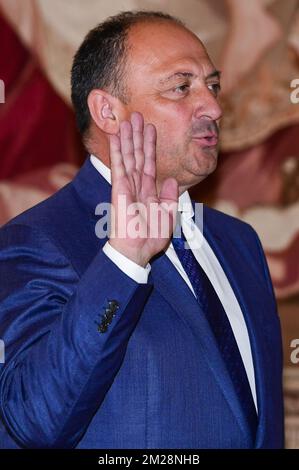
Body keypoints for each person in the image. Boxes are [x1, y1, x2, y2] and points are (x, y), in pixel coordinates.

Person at [0, 10, 284, 449]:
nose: (212, 106)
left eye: (212, 85)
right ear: (108, 112)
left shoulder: (238, 242)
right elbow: (34, 420)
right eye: (181, 86)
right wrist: (122, 261)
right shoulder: (37, 240)